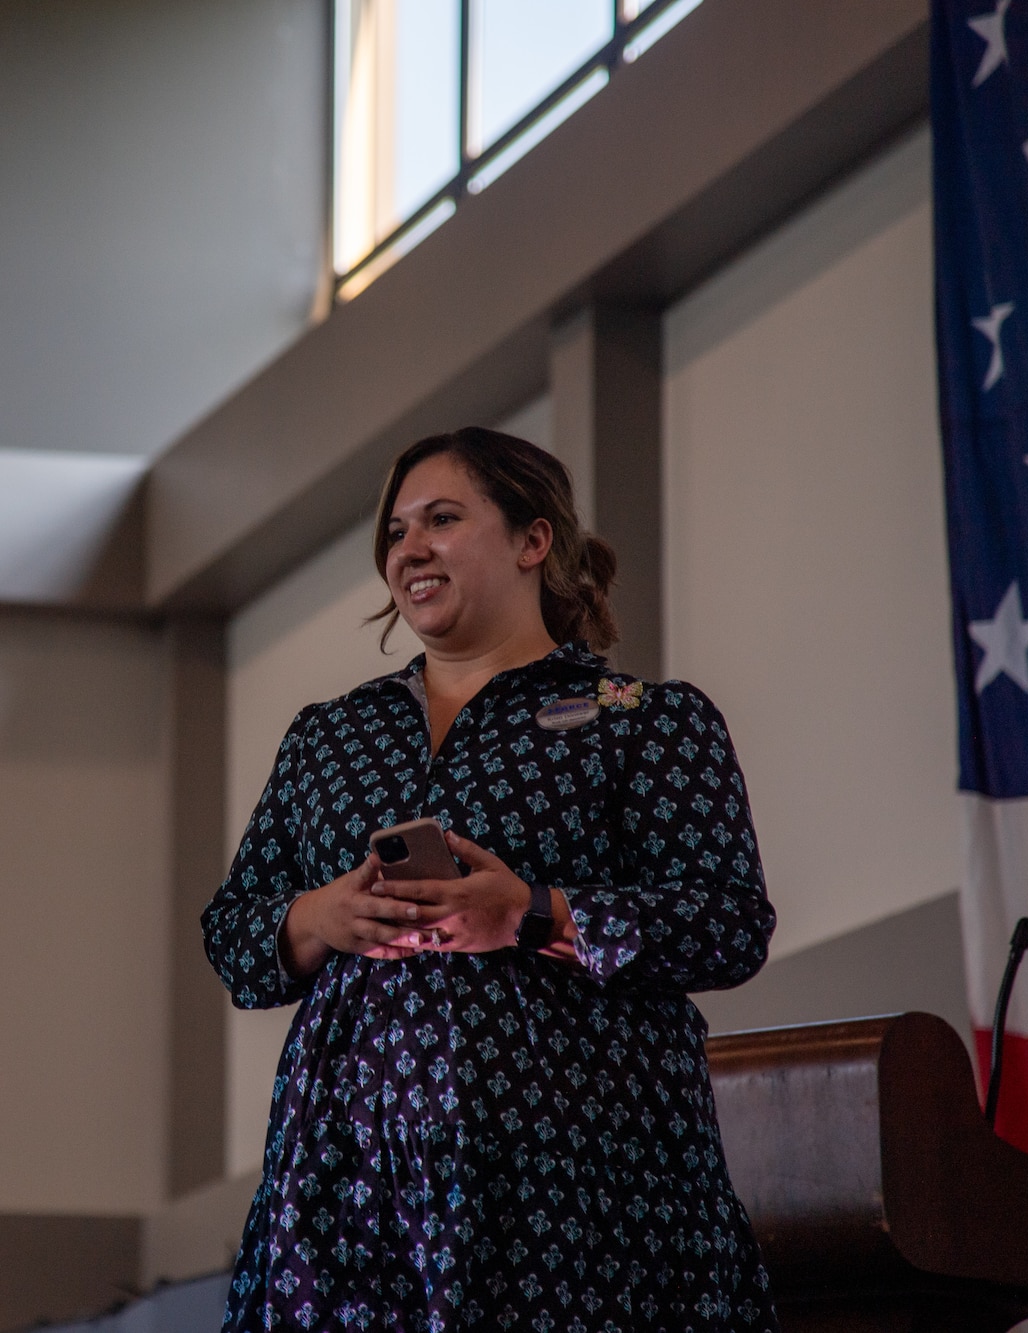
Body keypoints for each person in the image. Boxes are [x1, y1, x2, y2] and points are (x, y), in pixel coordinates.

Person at [202, 427, 779, 1332]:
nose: (409, 549)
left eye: (441, 519)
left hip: (576, 1186)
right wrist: (321, 914)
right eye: (395, 533)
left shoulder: (641, 721)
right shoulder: (329, 737)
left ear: (532, 540)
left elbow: (730, 921)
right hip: (350, 1187)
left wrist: (534, 912)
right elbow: (236, 934)